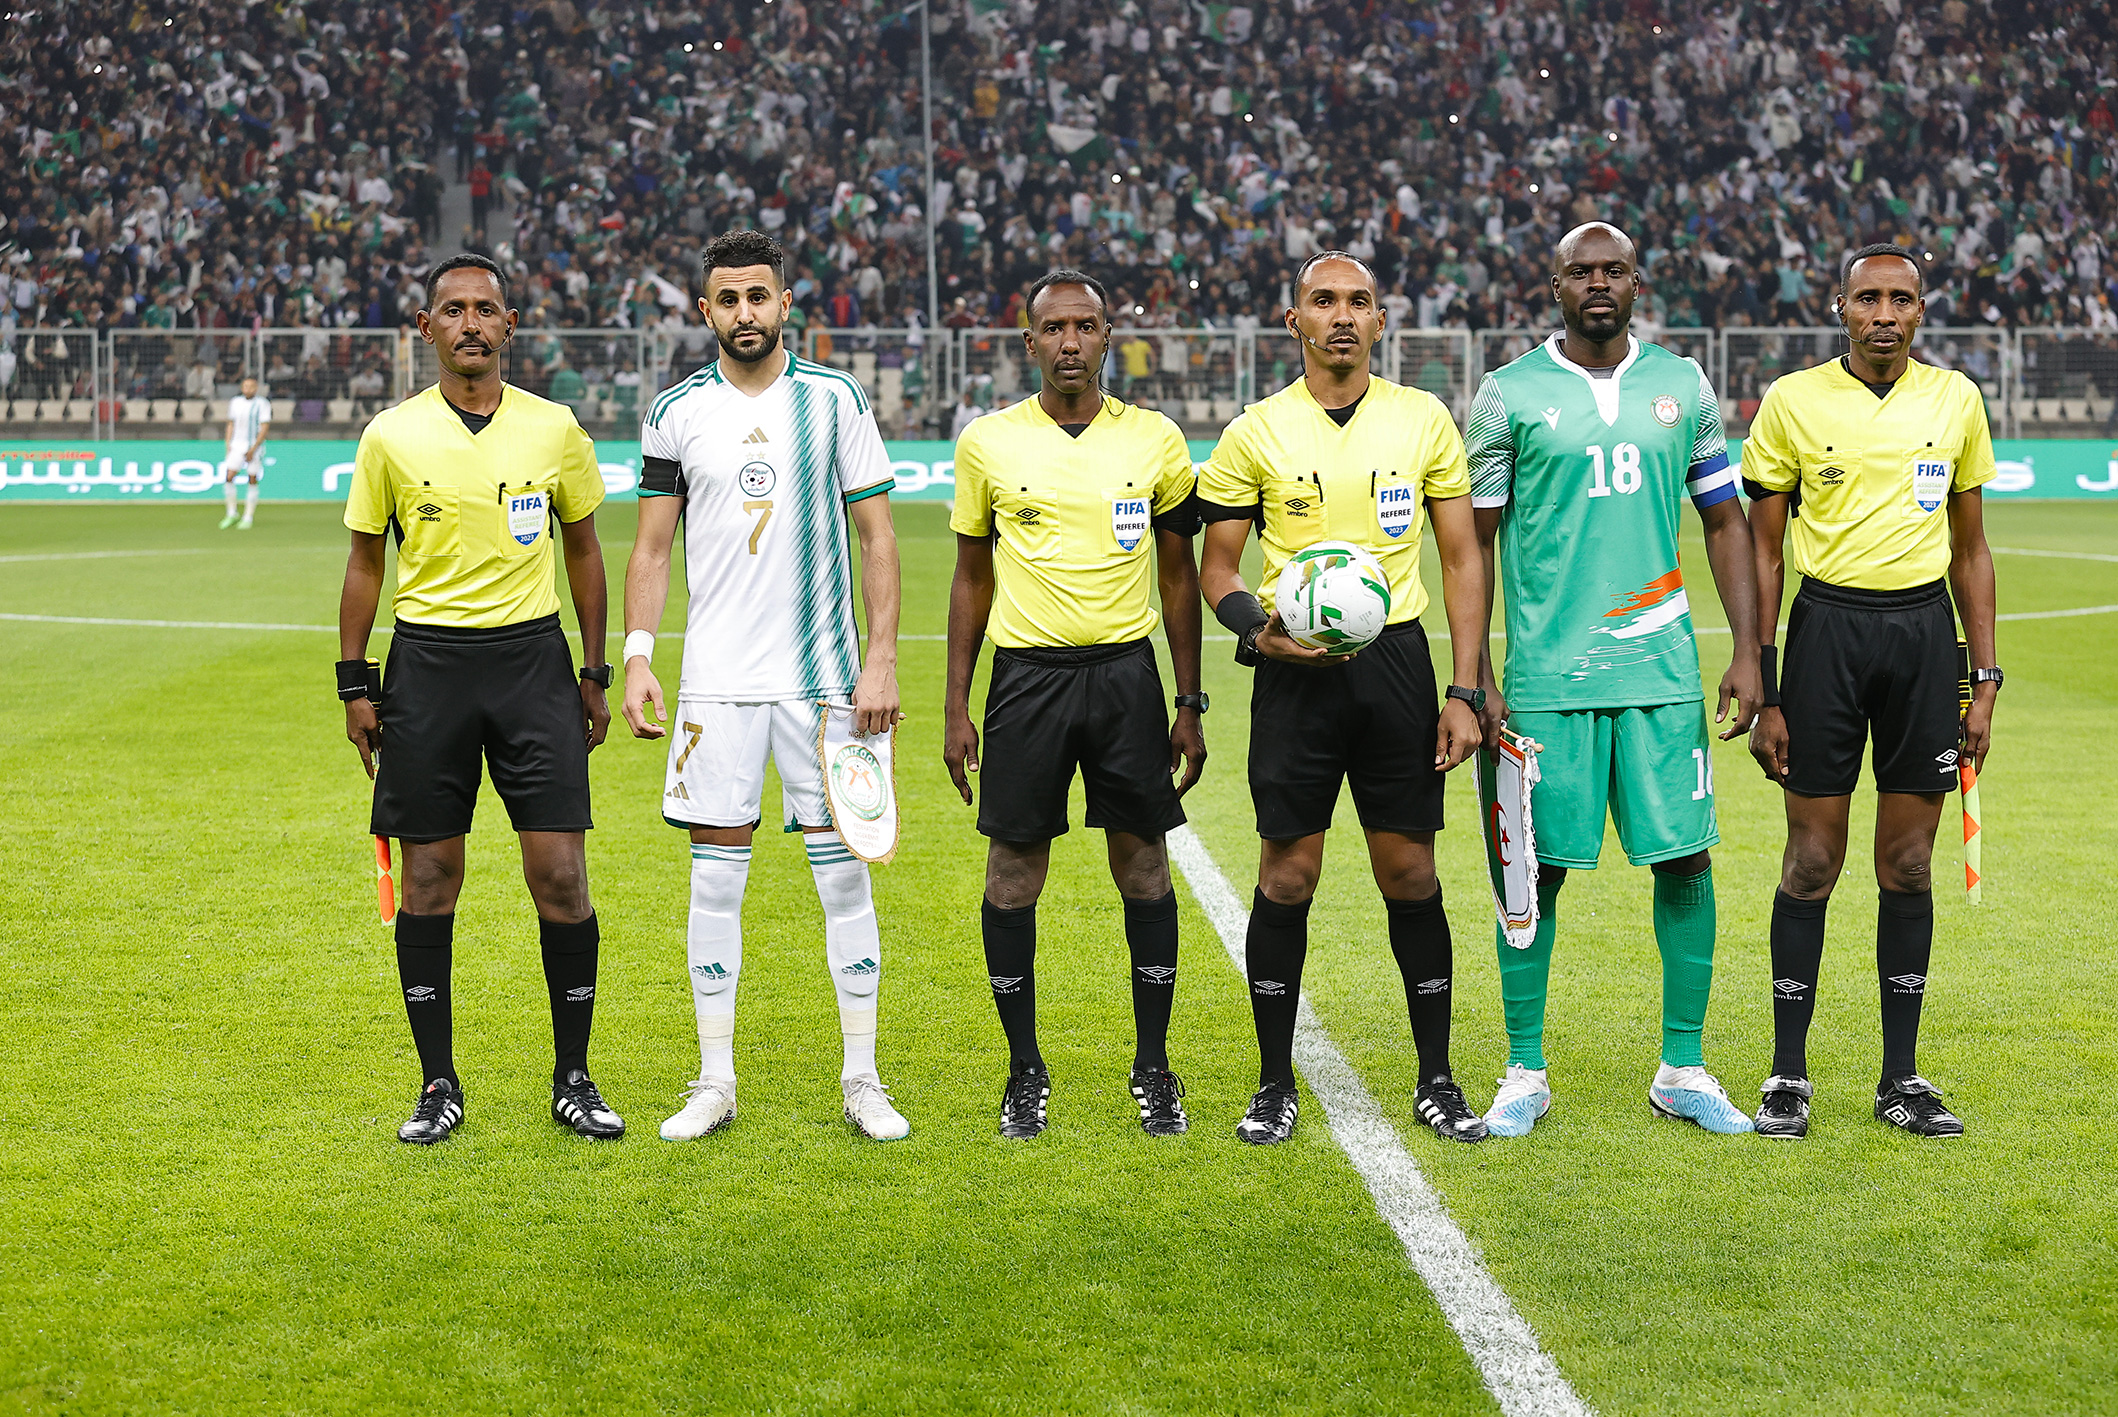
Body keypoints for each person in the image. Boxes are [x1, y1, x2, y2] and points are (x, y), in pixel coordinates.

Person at [1466, 222, 1763, 1137]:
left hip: (1662, 673)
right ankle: (1524, 1070)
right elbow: (1470, 545)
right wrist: (1473, 674)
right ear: (1553, 285)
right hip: (1547, 678)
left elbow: (1724, 521)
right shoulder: (1505, 395)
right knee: (1533, 873)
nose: (1599, 284)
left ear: (1637, 282)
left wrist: (1751, 651)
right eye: (1580, 272)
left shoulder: (1683, 384)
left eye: (1614, 271)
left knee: (1686, 857)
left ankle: (1684, 1064)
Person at [620, 230, 910, 1145]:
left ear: (788, 303)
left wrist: (882, 659)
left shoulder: (834, 400)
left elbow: (878, 539)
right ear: (703, 310)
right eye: (727, 298)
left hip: (826, 683)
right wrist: (636, 654)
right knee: (715, 884)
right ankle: (715, 1079)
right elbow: (652, 548)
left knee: (843, 884)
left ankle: (861, 1077)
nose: (745, 312)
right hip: (715, 687)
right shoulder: (674, 413)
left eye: (759, 296)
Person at [1196, 250, 1490, 1147]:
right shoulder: (1256, 430)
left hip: (1396, 664)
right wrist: (1259, 632)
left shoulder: (1424, 419)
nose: (1341, 316)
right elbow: (1217, 565)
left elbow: (1462, 557)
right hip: (1293, 671)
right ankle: (1274, 1081)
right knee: (1289, 873)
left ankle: (1437, 1078)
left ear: (1380, 319)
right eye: (1323, 301)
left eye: (1358, 301)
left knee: (1411, 873)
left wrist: (1466, 686)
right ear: (1296, 321)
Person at [337, 252, 620, 1146]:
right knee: (429, 876)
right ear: (426, 329)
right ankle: (437, 1083)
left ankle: (573, 1076)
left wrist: (594, 667)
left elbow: (584, 548)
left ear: (510, 326)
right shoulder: (390, 436)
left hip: (533, 663)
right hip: (426, 666)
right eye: (451, 310)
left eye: (484, 309)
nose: (469, 323)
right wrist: (355, 682)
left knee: (561, 875)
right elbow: (364, 564)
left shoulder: (554, 427)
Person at [1743, 242, 2000, 1140]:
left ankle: (1903, 1077)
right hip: (1827, 636)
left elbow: (1971, 549)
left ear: (1921, 310)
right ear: (1840, 307)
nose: (1885, 314)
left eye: (1902, 299)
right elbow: (1765, 552)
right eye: (1869, 299)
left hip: (1926, 640)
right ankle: (1788, 1073)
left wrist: (1985, 679)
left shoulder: (1955, 399)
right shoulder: (1793, 401)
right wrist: (1765, 680)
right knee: (1812, 861)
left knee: (1910, 863)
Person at [944, 267, 1206, 1141]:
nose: (1069, 342)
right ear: (1029, 342)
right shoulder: (987, 442)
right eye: (1052, 328)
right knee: (1013, 877)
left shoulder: (1157, 441)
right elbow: (971, 578)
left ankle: (1153, 1065)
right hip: (1026, 680)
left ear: (1106, 337)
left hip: (1126, 678)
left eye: (1085, 327)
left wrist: (1189, 699)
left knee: (1144, 869)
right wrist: (955, 707)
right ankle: (1024, 1070)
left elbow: (1178, 575)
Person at [219, 375, 271, 530]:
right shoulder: (235, 402)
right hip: (236, 445)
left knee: (252, 478)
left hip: (253, 446)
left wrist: (254, 448)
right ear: (242, 388)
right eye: (245, 386)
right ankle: (231, 513)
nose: (248, 389)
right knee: (229, 476)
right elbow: (231, 423)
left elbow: (264, 427)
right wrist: (228, 443)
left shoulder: (262, 404)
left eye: (251, 387)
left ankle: (248, 516)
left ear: (256, 388)